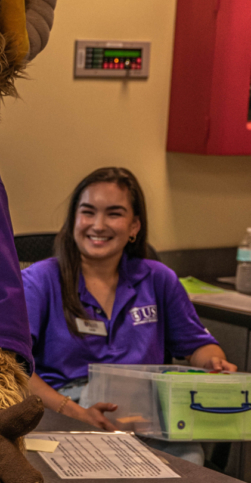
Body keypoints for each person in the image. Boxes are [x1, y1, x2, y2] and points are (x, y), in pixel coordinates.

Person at [23, 167, 236, 464]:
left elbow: (198, 346)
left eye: (114, 214)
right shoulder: (40, 280)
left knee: (190, 464)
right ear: (73, 220)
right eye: (88, 212)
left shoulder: (158, 279)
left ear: (134, 226)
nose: (98, 225)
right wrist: (73, 412)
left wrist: (213, 362)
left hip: (146, 414)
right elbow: (12, 366)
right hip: (65, 414)